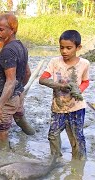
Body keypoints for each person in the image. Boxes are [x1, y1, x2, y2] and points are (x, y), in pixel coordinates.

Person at [39, 30, 90, 160]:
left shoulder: (84, 64)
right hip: (58, 107)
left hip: (76, 108)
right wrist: (59, 86)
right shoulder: (55, 62)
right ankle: (56, 160)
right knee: (53, 134)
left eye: (69, 48)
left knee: (77, 137)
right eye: (62, 47)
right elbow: (42, 79)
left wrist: (79, 90)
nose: (64, 51)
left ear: (78, 48)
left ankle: (78, 163)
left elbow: (86, 81)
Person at [0, 13, 35, 150]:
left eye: (1, 30)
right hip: (17, 95)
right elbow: (27, 73)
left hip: (4, 99)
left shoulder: (7, 51)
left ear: (12, 30)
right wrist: (19, 89)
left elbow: (10, 81)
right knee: (19, 116)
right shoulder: (21, 46)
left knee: (1, 131)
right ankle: (31, 133)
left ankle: (3, 158)